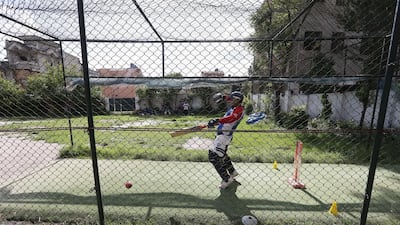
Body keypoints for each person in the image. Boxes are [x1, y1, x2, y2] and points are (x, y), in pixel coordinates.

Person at [208, 91, 245, 189]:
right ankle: (232, 172)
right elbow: (229, 99)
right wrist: (223, 97)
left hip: (224, 136)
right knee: (223, 155)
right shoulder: (236, 107)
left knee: (213, 156)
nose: (230, 101)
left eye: (233, 99)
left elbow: (231, 119)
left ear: (237, 100)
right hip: (223, 134)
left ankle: (226, 179)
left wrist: (218, 120)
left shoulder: (239, 109)